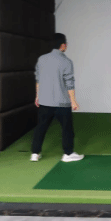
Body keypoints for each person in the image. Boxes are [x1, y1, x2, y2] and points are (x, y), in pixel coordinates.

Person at [30, 33, 84, 162]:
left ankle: (35, 154)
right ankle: (68, 154)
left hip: (45, 101)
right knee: (67, 129)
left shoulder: (42, 59)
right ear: (63, 45)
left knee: (41, 128)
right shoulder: (66, 61)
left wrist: (37, 96)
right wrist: (73, 101)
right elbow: (69, 83)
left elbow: (38, 79)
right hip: (62, 103)